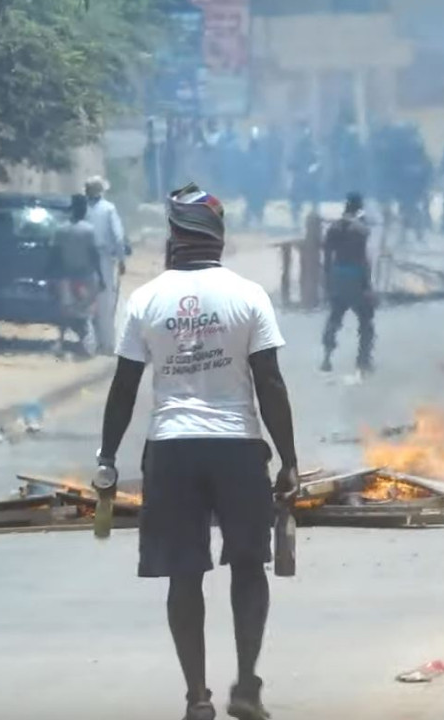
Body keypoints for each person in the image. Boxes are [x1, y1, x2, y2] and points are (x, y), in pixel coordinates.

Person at [96, 182, 299, 720]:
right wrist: (289, 459)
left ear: (174, 235)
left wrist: (107, 456)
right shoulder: (248, 295)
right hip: (238, 449)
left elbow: (124, 385)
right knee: (248, 565)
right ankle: (247, 685)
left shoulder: (146, 299)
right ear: (219, 236)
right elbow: (270, 382)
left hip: (172, 450)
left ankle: (197, 698)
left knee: (184, 573)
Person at [321, 193, 375, 373]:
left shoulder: (334, 228)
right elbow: (363, 259)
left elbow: (327, 256)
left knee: (335, 316)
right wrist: (367, 284)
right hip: (355, 275)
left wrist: (327, 279)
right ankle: (363, 360)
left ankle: (326, 358)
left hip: (338, 273)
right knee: (365, 319)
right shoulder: (361, 229)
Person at [50, 195, 104, 356]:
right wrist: (101, 277)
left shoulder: (61, 229)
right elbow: (94, 255)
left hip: (66, 276)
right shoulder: (89, 230)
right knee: (86, 310)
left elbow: (55, 255)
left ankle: (61, 341)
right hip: (85, 276)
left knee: (65, 310)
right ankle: (84, 344)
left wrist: (51, 275)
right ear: (84, 210)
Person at [85, 176, 128, 354]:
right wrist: (122, 260)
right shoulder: (109, 209)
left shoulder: (81, 208)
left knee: (85, 301)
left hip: (83, 259)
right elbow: (118, 237)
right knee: (105, 303)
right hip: (103, 259)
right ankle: (107, 344)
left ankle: (89, 343)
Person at [288, 123, 321, 227]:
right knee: (296, 200)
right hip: (300, 177)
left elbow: (317, 162)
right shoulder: (297, 147)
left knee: (314, 199)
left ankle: (314, 220)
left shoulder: (312, 147)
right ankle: (296, 221)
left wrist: (312, 170)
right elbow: (291, 162)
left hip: (309, 178)